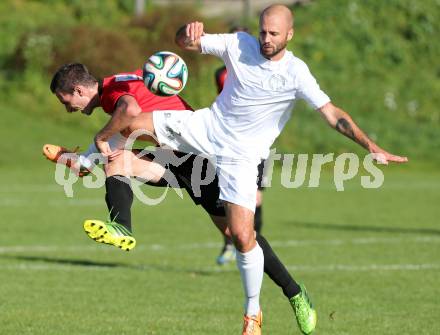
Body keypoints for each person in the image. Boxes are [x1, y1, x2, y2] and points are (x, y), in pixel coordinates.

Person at [48, 63, 309, 333]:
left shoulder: (114, 93)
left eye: (64, 100)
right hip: (177, 157)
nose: (67, 108)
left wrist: (97, 141)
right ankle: (121, 226)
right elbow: (120, 129)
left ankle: (295, 293)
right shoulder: (119, 82)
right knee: (116, 161)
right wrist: (82, 161)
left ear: (78, 89)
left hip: (202, 160)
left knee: (239, 235)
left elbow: (129, 112)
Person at [213, 25, 267, 266]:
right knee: (228, 198)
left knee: (255, 199)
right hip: (229, 142)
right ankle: (230, 245)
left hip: (256, 143)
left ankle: (255, 244)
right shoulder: (220, 73)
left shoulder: (261, 69)